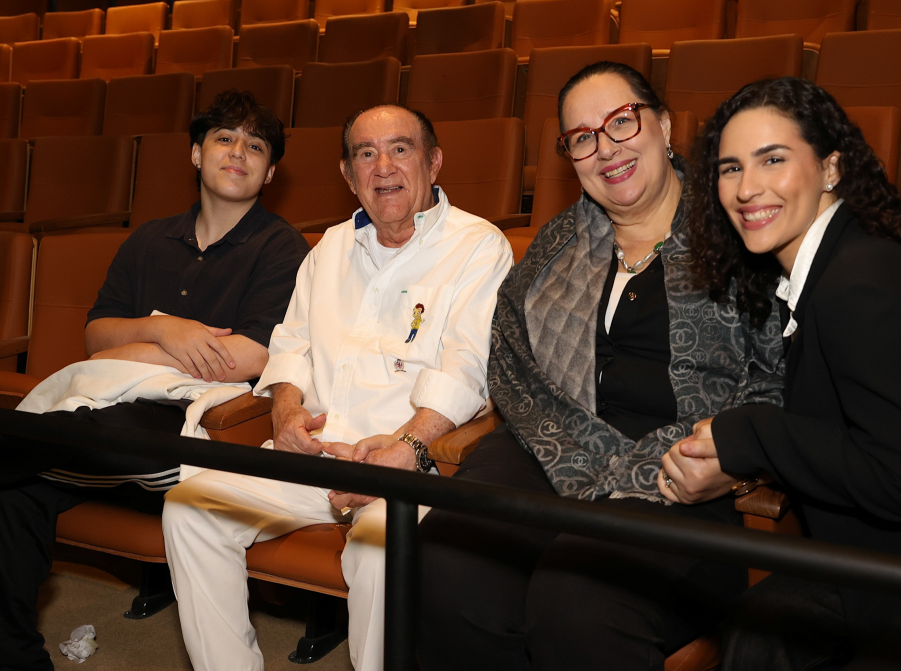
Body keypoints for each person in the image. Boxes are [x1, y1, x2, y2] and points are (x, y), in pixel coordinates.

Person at [415, 62, 785, 671]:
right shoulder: (556, 244)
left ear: (663, 126)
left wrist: (737, 455)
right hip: (552, 442)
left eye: (621, 121)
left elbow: (782, 371)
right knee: (447, 559)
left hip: (688, 470)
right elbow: (508, 357)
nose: (605, 148)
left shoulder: (740, 230)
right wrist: (579, 450)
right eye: (582, 137)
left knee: (577, 596)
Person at [680, 76, 901, 669]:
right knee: (755, 634)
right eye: (730, 168)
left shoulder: (859, 285)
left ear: (831, 167)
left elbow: (900, 484)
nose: (747, 187)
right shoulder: (836, 266)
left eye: (773, 159)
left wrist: (748, 434)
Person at [162, 104, 513, 671]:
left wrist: (406, 449)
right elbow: (291, 346)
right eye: (365, 154)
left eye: (401, 149)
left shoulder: (478, 246)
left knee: (380, 552)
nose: (383, 166)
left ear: (434, 162)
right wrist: (286, 412)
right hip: (313, 454)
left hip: (406, 466)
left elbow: (470, 366)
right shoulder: (326, 249)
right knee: (189, 507)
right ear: (348, 176)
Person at [0, 90, 309, 670]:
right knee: (17, 489)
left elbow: (247, 357)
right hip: (99, 426)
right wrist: (168, 332)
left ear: (270, 172)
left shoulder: (282, 248)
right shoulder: (148, 239)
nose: (237, 152)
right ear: (195, 154)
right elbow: (96, 336)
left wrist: (136, 345)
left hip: (195, 432)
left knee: (41, 438)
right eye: (223, 138)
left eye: (255, 145)